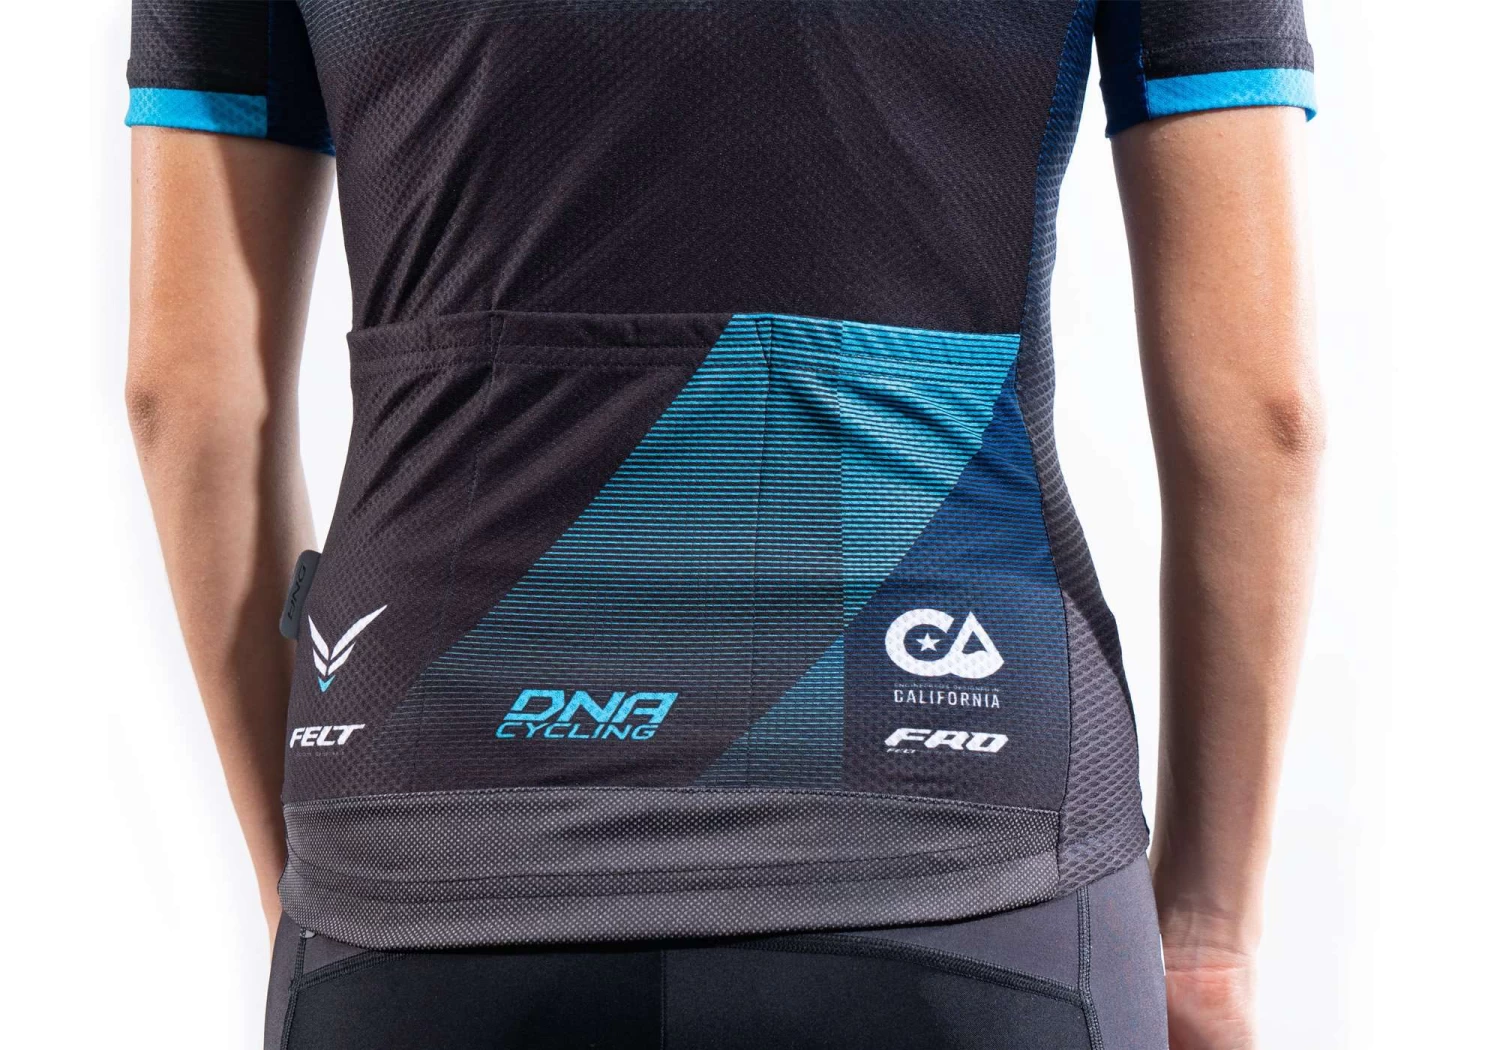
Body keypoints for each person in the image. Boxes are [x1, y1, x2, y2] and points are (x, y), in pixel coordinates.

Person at [124, 2, 1321, 1047]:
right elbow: (1259, 412)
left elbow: (184, 396)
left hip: (421, 834)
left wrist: (312, 878)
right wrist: (1207, 939)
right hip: (961, 811)